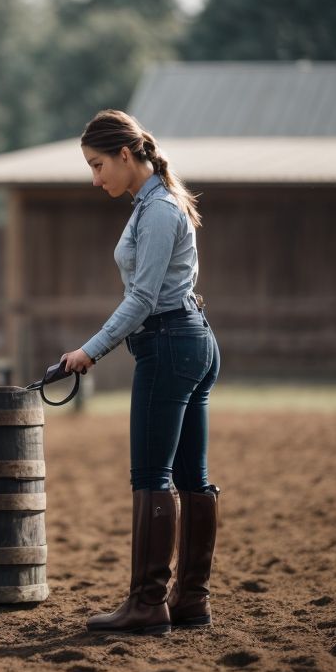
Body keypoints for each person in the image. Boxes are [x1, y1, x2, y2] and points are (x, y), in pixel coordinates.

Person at [60, 109, 221, 635]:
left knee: (151, 476)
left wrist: (90, 350)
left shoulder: (156, 212)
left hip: (169, 344)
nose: (95, 178)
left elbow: (143, 300)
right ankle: (189, 600)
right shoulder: (155, 204)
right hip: (190, 340)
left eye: (98, 164)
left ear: (126, 155)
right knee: (191, 477)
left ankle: (148, 604)